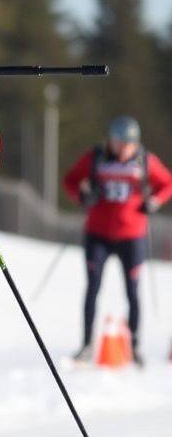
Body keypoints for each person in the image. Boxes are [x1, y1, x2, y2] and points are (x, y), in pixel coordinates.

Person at [62, 116, 171, 365]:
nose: (123, 149)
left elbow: (167, 182)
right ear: (110, 140)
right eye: (119, 143)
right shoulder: (96, 158)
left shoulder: (144, 161)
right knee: (92, 288)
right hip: (97, 235)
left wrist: (153, 201)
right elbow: (70, 180)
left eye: (128, 145)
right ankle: (87, 345)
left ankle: (133, 346)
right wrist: (82, 196)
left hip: (132, 236)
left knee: (132, 291)